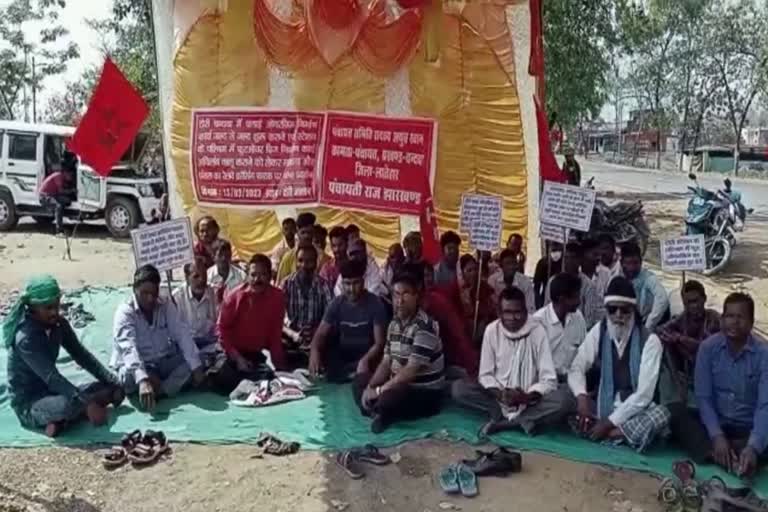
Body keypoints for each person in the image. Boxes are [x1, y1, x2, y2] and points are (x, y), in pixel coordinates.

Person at [4, 275, 123, 436]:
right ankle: (68, 416)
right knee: (68, 405)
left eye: (56, 305)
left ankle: (61, 422)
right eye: (48, 308)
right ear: (33, 308)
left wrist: (113, 381)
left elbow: (82, 355)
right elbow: (51, 377)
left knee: (106, 387)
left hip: (53, 391)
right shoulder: (25, 339)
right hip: (30, 402)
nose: (54, 312)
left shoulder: (58, 324)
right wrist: (87, 405)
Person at [668, 293, 767, 478]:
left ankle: (741, 454)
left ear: (752, 322)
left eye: (740, 317)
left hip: (749, 427)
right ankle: (720, 454)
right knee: (675, 412)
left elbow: (765, 406)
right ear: (722, 320)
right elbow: (704, 398)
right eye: (729, 316)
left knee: (761, 437)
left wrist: (754, 446)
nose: (734, 322)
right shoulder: (707, 348)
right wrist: (716, 435)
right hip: (716, 423)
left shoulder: (763, 355)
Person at [452, 287, 572, 436]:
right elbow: (485, 375)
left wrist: (526, 397)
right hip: (498, 397)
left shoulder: (538, 331)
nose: (513, 318)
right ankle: (518, 419)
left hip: (529, 400)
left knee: (564, 399)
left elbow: (548, 379)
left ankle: (506, 423)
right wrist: (501, 395)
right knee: (459, 389)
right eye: (507, 312)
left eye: (517, 312)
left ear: (525, 311)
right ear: (499, 313)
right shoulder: (491, 330)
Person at [568, 277, 669, 453]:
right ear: (606, 310)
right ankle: (615, 434)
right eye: (612, 309)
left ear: (633, 310)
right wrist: (582, 397)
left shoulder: (650, 341)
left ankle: (614, 433)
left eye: (625, 310)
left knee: (662, 415)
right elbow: (577, 367)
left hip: (634, 412)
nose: (618, 315)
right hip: (602, 405)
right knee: (568, 400)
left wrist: (608, 423)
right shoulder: (600, 330)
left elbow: (644, 395)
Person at [353, 272, 445, 433]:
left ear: (416, 296)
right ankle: (378, 410)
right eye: (396, 295)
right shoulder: (394, 324)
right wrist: (370, 386)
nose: (399, 301)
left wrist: (379, 391)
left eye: (406, 294)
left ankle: (379, 410)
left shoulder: (425, 326)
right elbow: (386, 362)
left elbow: (410, 372)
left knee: (390, 397)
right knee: (359, 381)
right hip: (397, 385)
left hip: (424, 391)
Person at [112, 265, 205, 411]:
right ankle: (155, 386)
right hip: (138, 366)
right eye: (145, 293)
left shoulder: (165, 303)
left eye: (154, 293)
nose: (150, 298)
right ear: (134, 290)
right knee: (127, 376)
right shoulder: (124, 312)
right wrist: (143, 379)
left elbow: (181, 333)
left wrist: (196, 367)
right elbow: (128, 348)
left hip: (162, 362)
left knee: (199, 360)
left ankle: (160, 391)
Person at [215, 254, 286, 393]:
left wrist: (280, 368)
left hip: (255, 354)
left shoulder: (278, 297)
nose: (257, 279)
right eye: (253, 275)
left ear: (270, 276)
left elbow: (275, 335)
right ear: (247, 275)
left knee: (269, 378)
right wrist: (237, 358)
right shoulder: (234, 297)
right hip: (230, 352)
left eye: (262, 275)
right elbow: (221, 331)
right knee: (223, 379)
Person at [309, 259, 388, 383]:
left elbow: (379, 343)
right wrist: (314, 352)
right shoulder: (337, 303)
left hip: (368, 357)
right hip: (344, 357)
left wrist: (365, 361)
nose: (351, 289)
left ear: (363, 282)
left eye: (356, 283)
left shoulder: (376, 304)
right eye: (347, 284)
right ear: (342, 284)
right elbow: (320, 334)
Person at [406, 262, 479, 377]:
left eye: (405, 290)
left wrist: (471, 369)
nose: (399, 299)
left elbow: (458, 334)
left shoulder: (438, 303)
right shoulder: (402, 309)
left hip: (448, 364)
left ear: (418, 286)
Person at [656, 280, 720, 404]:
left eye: (696, 301)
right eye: (688, 303)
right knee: (665, 345)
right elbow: (660, 330)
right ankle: (678, 386)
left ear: (704, 299)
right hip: (687, 370)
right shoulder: (684, 317)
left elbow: (706, 348)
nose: (693, 306)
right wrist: (676, 338)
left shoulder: (713, 318)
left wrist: (682, 339)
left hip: (711, 370)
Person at [533, 273, 587, 380]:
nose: (579, 301)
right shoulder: (538, 322)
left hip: (574, 380)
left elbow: (584, 352)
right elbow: (535, 365)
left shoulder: (578, 317)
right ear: (562, 299)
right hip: (546, 382)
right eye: (575, 297)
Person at [283, 245, 334, 347]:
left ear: (316, 263)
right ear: (295, 263)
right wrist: (292, 333)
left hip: (317, 337)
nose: (304, 265)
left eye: (309, 261)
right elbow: (278, 317)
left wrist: (317, 331)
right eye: (300, 261)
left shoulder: (324, 285)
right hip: (290, 337)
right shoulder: (286, 284)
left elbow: (331, 317)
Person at [545, 242, 603, 328]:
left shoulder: (588, 285)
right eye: (566, 257)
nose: (569, 261)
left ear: (580, 260)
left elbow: (589, 319)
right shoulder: (553, 281)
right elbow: (547, 307)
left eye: (572, 257)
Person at [449, 254, 497, 347]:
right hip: (460, 335)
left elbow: (492, 309)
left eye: (475, 269)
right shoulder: (455, 290)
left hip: (483, 335)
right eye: (469, 270)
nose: (473, 273)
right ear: (461, 272)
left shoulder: (484, 287)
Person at [620, 242, 669, 330]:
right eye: (628, 263)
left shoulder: (649, 278)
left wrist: (649, 323)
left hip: (647, 321)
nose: (632, 267)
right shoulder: (618, 278)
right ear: (622, 263)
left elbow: (662, 299)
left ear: (641, 262)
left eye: (635, 263)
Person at [173, 261, 219, 355]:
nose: (201, 280)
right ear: (187, 278)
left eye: (204, 275)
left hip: (211, 345)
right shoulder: (176, 298)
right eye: (196, 276)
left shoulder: (215, 293)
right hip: (187, 347)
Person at [488, 249, 535, 313]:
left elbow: (530, 307)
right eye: (508, 263)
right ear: (501, 265)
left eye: (514, 263)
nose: (511, 267)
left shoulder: (525, 281)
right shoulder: (493, 280)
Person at [39, 157, 76, 235]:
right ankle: (59, 229)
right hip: (45, 196)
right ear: (66, 173)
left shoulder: (63, 177)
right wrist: (72, 191)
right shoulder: (58, 176)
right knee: (58, 206)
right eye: (70, 175)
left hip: (53, 194)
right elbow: (61, 191)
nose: (71, 177)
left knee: (67, 201)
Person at [276, 212, 316, 284]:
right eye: (303, 232)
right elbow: (280, 285)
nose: (306, 236)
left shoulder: (321, 256)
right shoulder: (288, 257)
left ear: (314, 232)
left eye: (309, 232)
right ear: (297, 231)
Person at [533, 242, 563, 309]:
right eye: (554, 250)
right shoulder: (543, 263)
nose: (556, 253)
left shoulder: (564, 262)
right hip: (545, 297)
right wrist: (538, 304)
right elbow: (536, 286)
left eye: (559, 250)